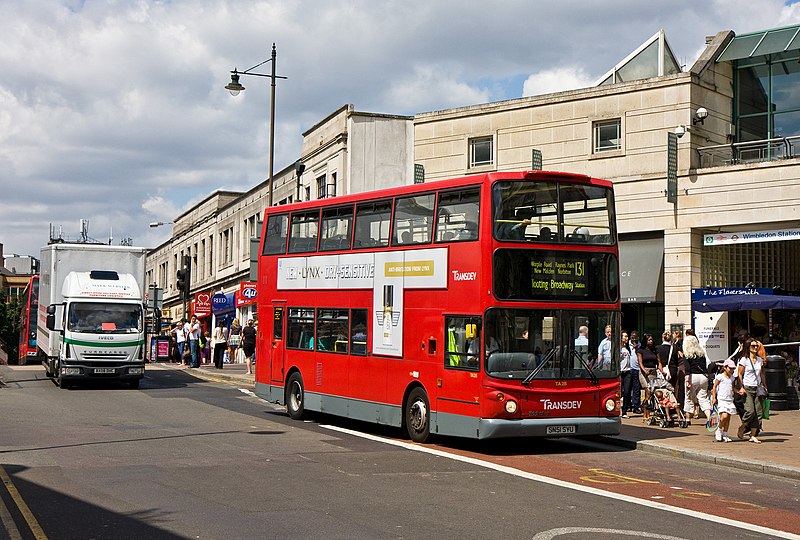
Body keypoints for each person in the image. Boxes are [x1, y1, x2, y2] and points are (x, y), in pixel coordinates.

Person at [737, 338, 767, 443]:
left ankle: (753, 435)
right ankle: (743, 426)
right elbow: (739, 374)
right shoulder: (744, 360)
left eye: (756, 346)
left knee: (758, 412)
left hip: (758, 387)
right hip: (747, 388)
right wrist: (741, 387)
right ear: (748, 347)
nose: (755, 348)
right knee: (750, 410)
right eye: (753, 346)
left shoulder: (759, 360)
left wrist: (764, 385)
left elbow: (762, 373)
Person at [682, 334, 712, 424]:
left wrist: (687, 380)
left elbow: (687, 368)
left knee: (688, 397)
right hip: (703, 377)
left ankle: (687, 419)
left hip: (692, 377)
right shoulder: (701, 354)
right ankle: (709, 416)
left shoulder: (687, 354)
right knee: (703, 398)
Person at [711, 358, 738, 442]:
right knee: (724, 416)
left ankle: (725, 434)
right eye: (730, 368)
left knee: (728, 417)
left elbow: (732, 388)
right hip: (722, 399)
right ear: (725, 367)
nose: (732, 370)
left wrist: (738, 391)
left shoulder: (732, 378)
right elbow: (714, 387)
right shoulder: (720, 377)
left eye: (733, 368)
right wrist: (714, 398)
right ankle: (718, 430)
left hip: (729, 399)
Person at [637, 333, 661, 423]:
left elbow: (659, 362)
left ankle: (650, 412)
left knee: (652, 393)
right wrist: (644, 370)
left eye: (651, 340)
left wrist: (662, 371)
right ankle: (645, 414)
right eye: (649, 340)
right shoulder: (641, 350)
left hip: (653, 371)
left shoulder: (655, 350)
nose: (651, 341)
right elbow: (640, 362)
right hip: (644, 372)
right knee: (648, 391)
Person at [619, 332, 634, 418]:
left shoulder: (628, 347)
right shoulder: (618, 348)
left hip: (628, 371)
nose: (626, 338)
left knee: (627, 392)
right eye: (624, 336)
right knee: (619, 392)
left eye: (627, 336)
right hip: (620, 372)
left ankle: (624, 411)